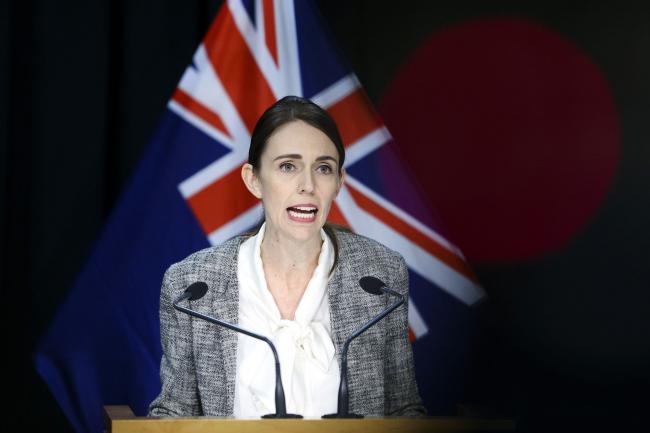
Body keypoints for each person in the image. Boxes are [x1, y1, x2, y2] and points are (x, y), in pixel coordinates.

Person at [148, 96, 425, 417]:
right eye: (288, 166)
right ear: (253, 180)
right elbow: (174, 413)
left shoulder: (381, 277)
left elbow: (405, 410)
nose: (307, 185)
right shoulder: (192, 286)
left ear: (339, 183)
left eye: (323, 168)